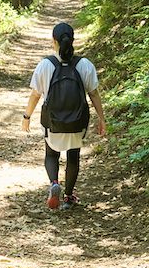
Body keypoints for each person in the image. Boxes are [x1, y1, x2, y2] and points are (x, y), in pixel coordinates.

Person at [21, 22, 106, 210]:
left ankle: (54, 183)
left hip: (53, 124)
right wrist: (101, 119)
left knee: (51, 154)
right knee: (73, 156)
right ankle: (68, 197)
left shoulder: (45, 65)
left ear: (54, 41)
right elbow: (94, 94)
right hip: (77, 123)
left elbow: (35, 95)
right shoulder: (84, 65)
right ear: (73, 41)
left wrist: (27, 116)